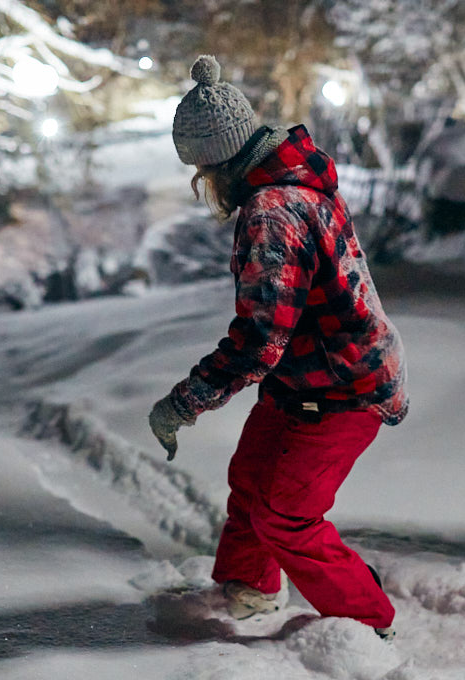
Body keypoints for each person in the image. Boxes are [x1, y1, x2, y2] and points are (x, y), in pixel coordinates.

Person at [148, 55, 408, 640]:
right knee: (251, 478)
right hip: (307, 378)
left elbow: (260, 340)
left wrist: (185, 402)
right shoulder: (287, 183)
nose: (199, 185)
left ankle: (368, 623)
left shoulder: (274, 212)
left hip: (346, 385)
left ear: (214, 162)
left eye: (196, 170)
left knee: (287, 514)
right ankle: (250, 588)